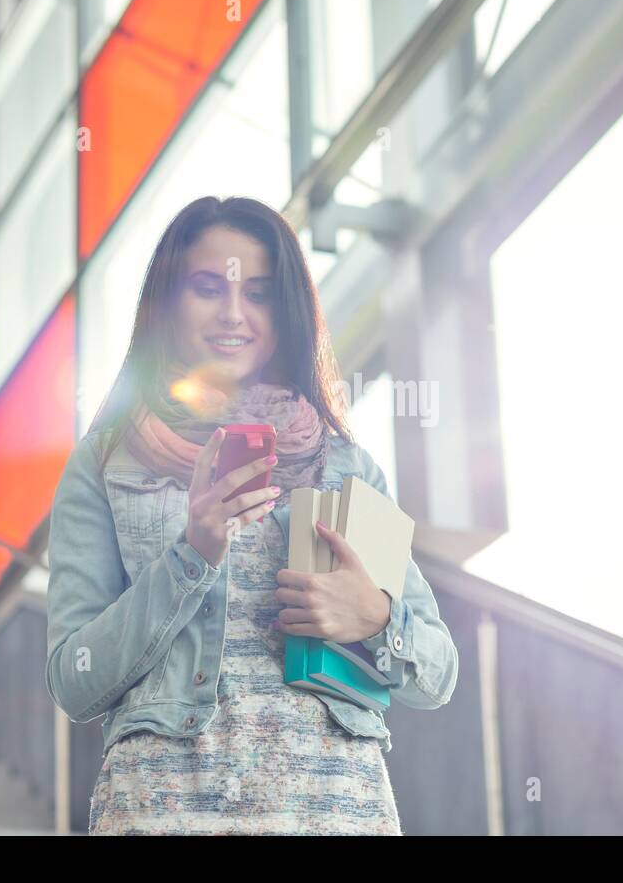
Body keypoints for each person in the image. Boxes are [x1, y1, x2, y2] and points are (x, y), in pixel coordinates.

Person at [45, 195, 459, 834]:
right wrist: (193, 555)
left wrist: (373, 617)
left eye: (259, 293)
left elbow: (436, 673)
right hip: (164, 814)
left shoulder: (346, 466)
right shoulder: (107, 465)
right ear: (168, 302)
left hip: (337, 815)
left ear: (286, 309)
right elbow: (74, 682)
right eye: (208, 288)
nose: (234, 313)